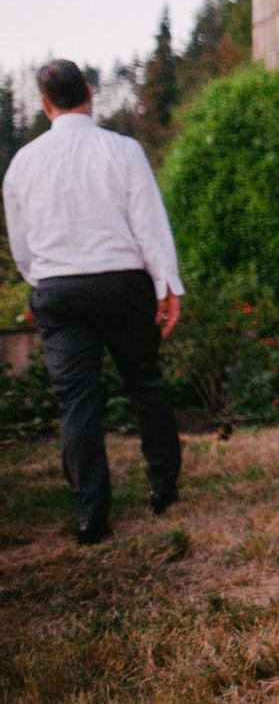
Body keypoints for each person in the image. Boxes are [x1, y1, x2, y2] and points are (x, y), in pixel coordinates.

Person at [2, 60, 185, 544]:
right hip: (122, 283)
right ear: (88, 92)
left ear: (45, 105)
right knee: (144, 383)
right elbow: (149, 224)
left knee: (76, 402)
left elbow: (20, 243)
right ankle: (163, 488)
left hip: (58, 289)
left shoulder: (23, 163)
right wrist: (168, 286)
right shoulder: (123, 150)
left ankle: (91, 516)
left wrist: (44, 281)